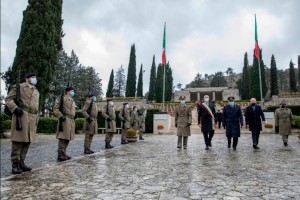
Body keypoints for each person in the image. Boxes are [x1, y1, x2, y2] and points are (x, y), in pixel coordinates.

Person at [5, 73, 39, 174]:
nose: (34, 79)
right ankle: (15, 164)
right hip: (22, 115)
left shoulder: (36, 91)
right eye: (32, 77)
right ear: (27, 78)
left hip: (32, 117)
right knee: (18, 140)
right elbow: (8, 99)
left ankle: (21, 162)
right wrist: (15, 108)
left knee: (27, 140)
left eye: (35, 77)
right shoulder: (19, 87)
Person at [53, 84, 76, 161]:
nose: (73, 92)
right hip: (64, 119)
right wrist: (60, 116)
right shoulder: (62, 98)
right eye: (72, 91)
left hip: (71, 121)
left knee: (68, 138)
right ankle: (60, 154)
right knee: (63, 137)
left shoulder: (72, 100)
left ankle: (64, 153)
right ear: (68, 92)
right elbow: (55, 109)